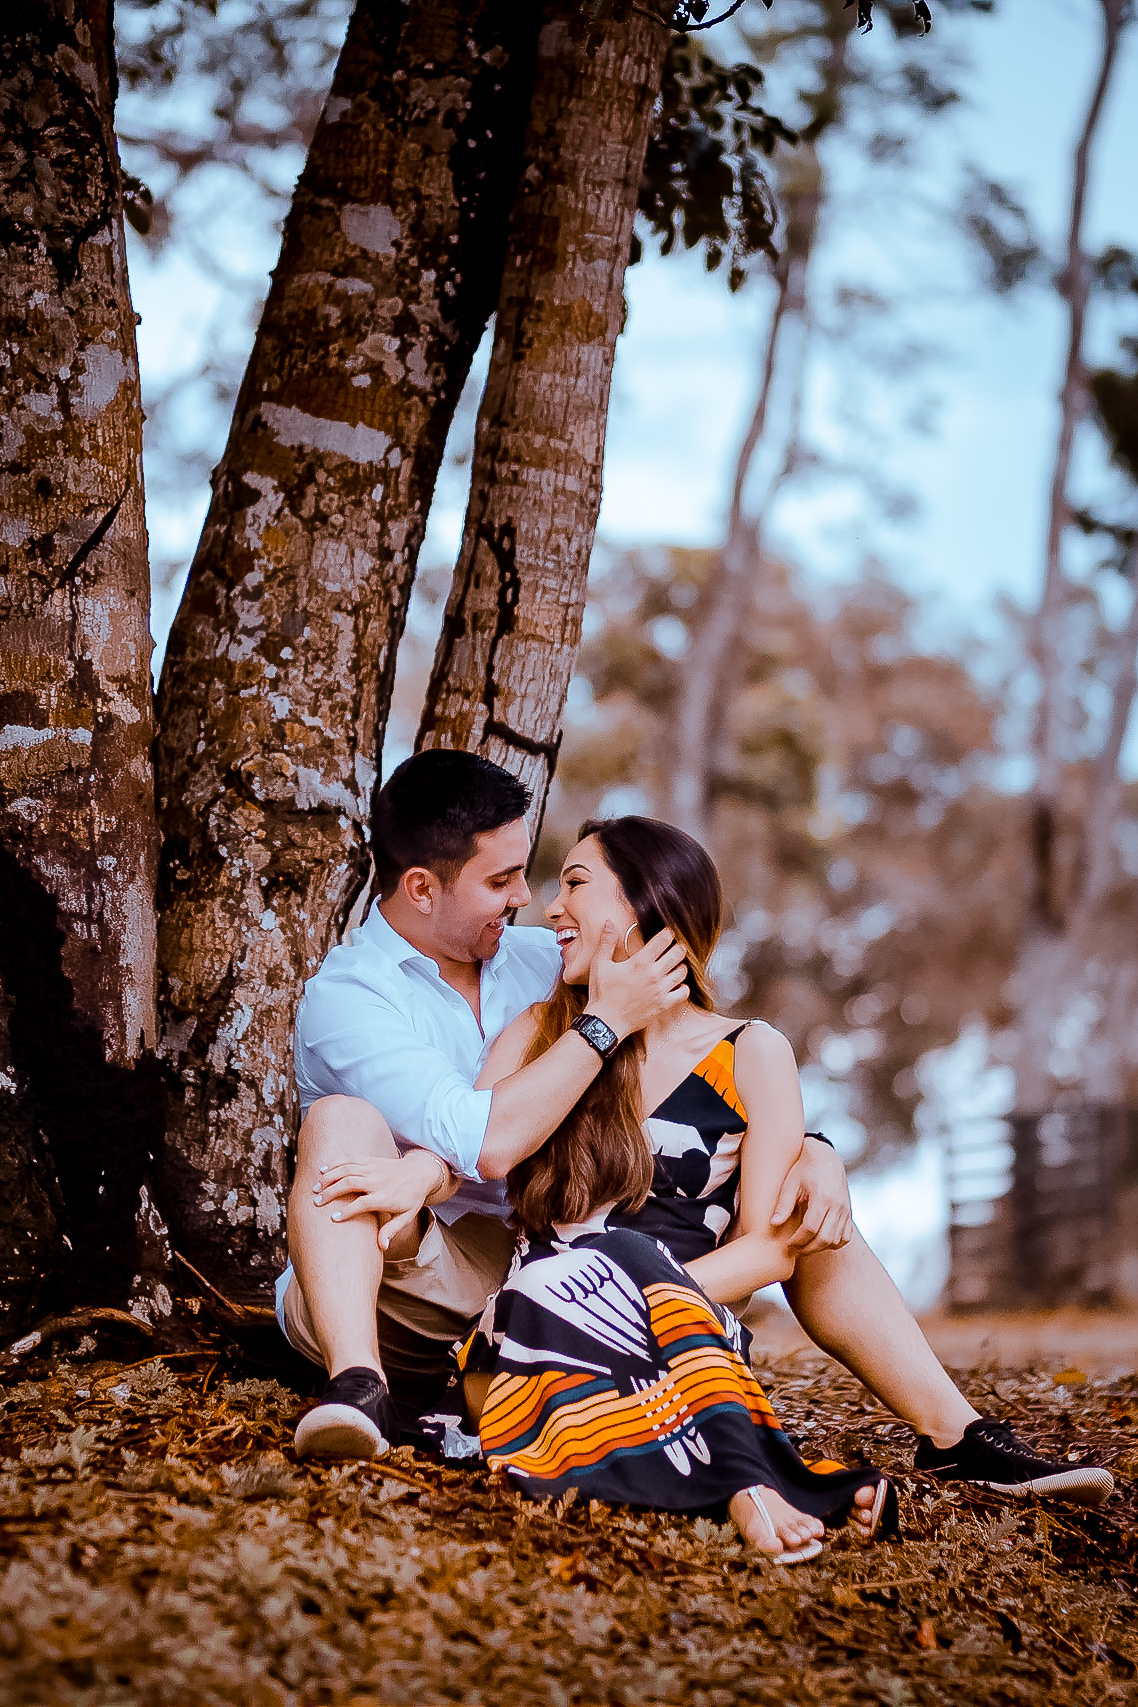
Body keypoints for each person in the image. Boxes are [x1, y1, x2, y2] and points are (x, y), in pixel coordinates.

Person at [279, 756, 1113, 1536]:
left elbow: (710, 1082)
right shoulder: (361, 998)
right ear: (422, 888)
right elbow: (484, 1139)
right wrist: (590, 1036)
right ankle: (360, 1386)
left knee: (803, 1210)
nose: (535, 904)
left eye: (558, 882)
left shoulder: (549, 963)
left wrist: (810, 1150)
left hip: (595, 1283)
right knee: (345, 1122)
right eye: (502, 882)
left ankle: (959, 1433)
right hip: (423, 1275)